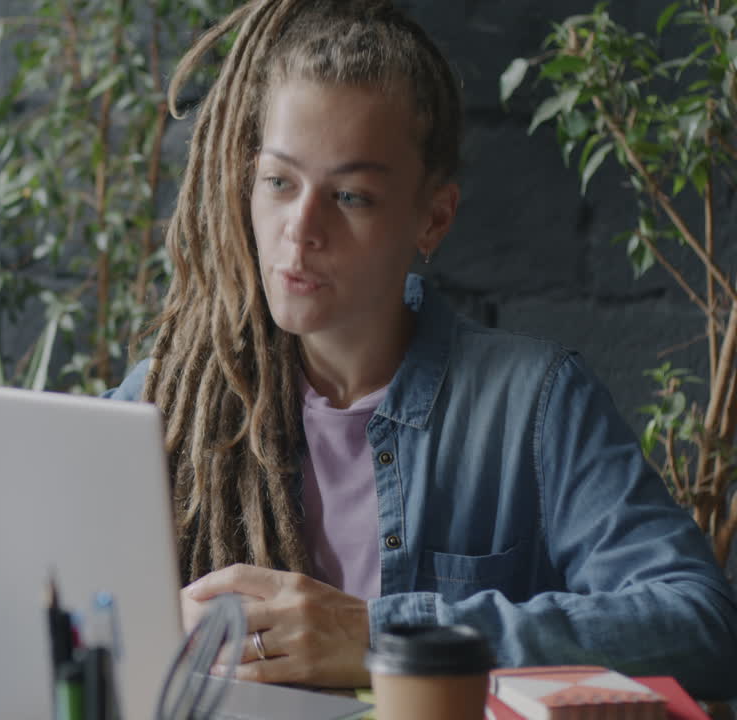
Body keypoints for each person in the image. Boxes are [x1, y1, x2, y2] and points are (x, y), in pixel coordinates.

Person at [103, 0, 737, 700]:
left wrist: (379, 636)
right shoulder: (169, 398)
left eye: (350, 197)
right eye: (279, 182)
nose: (300, 228)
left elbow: (700, 624)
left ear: (431, 217)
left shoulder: (534, 403)